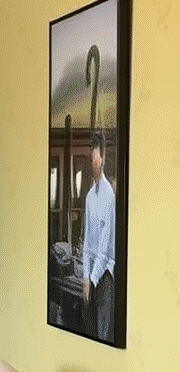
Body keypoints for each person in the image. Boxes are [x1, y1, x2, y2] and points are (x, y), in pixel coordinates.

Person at [81, 130, 115, 342]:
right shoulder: (89, 197)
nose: (93, 164)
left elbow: (103, 248)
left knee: (104, 335)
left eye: (96, 159)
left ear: (101, 161)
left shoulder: (108, 196)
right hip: (92, 277)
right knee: (89, 332)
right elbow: (87, 244)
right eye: (91, 159)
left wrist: (92, 280)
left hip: (105, 277)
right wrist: (85, 277)